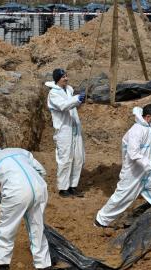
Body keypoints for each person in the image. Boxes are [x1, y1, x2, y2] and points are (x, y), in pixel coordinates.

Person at [0, 140, 51, 270]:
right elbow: (41, 171)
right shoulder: (18, 150)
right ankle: (43, 265)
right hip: (39, 187)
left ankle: (2, 265)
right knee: (37, 228)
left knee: (6, 230)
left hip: (16, 192)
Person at [95, 104, 151, 227]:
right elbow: (133, 154)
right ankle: (100, 221)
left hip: (146, 172)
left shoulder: (147, 128)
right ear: (147, 117)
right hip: (133, 174)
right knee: (121, 199)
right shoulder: (137, 131)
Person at [45, 68, 85, 198]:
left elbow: (73, 105)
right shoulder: (53, 94)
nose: (66, 78)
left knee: (78, 157)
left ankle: (73, 186)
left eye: (67, 76)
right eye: (63, 77)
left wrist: (79, 100)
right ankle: (63, 188)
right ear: (58, 79)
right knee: (65, 158)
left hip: (74, 127)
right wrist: (77, 99)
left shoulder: (69, 90)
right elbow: (63, 106)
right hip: (63, 130)